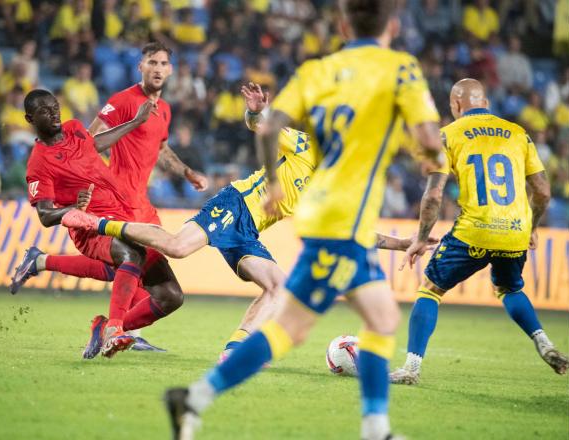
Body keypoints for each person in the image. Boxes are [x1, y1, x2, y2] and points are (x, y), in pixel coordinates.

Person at [161, 1, 445, 439]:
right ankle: (373, 428)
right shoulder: (400, 69)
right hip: (341, 223)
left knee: (379, 319)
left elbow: (267, 125)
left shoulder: (318, 71)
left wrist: (274, 182)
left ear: (345, 25)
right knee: (309, 325)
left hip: (331, 222)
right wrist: (428, 158)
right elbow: (429, 140)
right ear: (391, 26)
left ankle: (196, 400)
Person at [63, 82, 438, 361]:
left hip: (250, 230)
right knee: (177, 247)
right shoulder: (306, 145)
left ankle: (232, 351)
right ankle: (99, 224)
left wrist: (404, 242)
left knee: (278, 287)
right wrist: (256, 111)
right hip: (237, 203)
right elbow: (261, 126)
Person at [11, 42, 207, 356]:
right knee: (129, 259)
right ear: (140, 66)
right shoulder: (122, 100)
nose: (157, 68)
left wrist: (185, 171)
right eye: (151, 62)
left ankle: (105, 322)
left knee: (165, 292)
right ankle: (119, 329)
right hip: (113, 205)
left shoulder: (162, 111)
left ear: (170, 69)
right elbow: (90, 146)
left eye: (163, 63)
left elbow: (146, 148)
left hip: (133, 202)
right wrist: (78, 202)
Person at [390, 78, 569, 385]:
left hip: (475, 229)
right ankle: (544, 342)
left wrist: (421, 239)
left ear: (456, 105)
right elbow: (542, 191)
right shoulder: (518, 134)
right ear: (485, 103)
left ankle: (411, 367)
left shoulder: (447, 136)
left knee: (430, 289)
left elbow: (433, 196)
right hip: (515, 230)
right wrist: (533, 226)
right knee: (509, 288)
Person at [22, 89, 179, 358]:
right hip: (90, 226)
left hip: (122, 213)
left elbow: (94, 144)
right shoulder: (38, 163)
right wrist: (75, 208)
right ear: (30, 119)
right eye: (45, 111)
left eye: (55, 106)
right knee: (130, 254)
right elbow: (45, 215)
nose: (54, 113)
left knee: (171, 295)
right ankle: (114, 331)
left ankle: (105, 327)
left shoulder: (73, 129)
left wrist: (135, 123)